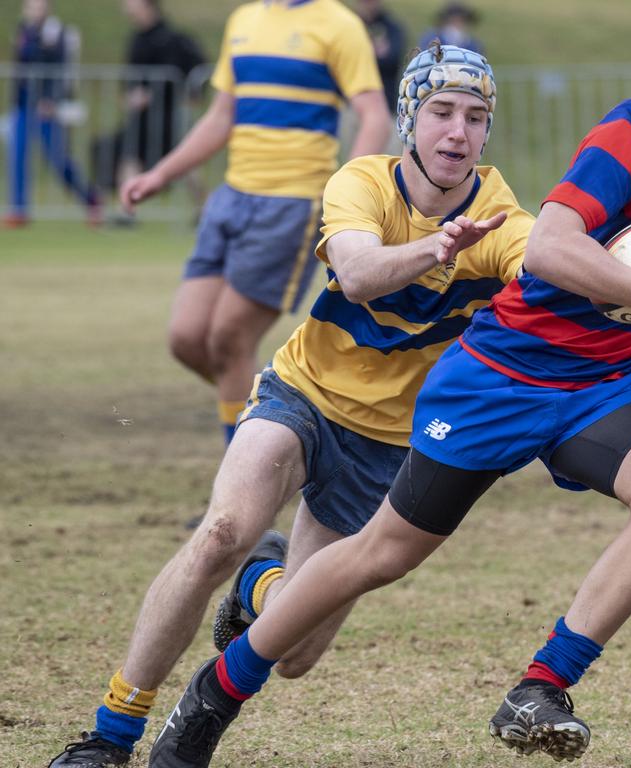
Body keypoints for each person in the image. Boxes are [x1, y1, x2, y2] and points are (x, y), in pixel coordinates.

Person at [150, 3, 631, 764]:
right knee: (381, 555)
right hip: (502, 373)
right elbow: (553, 247)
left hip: (606, 379)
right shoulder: (626, 140)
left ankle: (542, 688)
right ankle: (216, 693)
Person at [47, 43, 533, 767]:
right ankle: (109, 736)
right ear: (410, 118)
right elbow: (362, 273)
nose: (457, 133)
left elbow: (553, 269)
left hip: (391, 444)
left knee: (298, 652)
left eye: (475, 116)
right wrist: (438, 248)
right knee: (221, 532)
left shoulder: (500, 216)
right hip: (302, 393)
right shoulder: (361, 181)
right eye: (441, 113)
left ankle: (265, 580)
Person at [116, 0, 392, 450]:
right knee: (187, 338)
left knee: (228, 338)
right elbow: (221, 116)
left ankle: (241, 498)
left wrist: (348, 192)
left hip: (292, 204)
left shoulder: (339, 25)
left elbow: (374, 116)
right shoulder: (243, 20)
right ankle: (280, 415)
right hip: (231, 200)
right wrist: (160, 173)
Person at [91, 0, 207, 222]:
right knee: (129, 153)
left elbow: (190, 69)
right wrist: (129, 93)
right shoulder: (137, 39)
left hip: (167, 113)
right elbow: (131, 74)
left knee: (184, 160)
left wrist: (191, 94)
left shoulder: (171, 38)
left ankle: (206, 207)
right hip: (141, 115)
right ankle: (127, 211)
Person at [5, 0, 101, 228]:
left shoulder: (58, 33)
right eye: (30, 6)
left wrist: (52, 100)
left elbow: (63, 70)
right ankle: (18, 210)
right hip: (23, 105)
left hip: (47, 108)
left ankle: (91, 199)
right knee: (17, 156)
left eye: (39, 6)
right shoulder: (24, 32)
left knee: (58, 160)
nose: (34, 11)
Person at [355, 0, 407, 113]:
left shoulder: (392, 27)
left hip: (385, 103)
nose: (368, 5)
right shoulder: (350, 25)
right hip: (352, 103)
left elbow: (393, 60)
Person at [418, 2, 485, 54]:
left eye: (462, 21)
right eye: (454, 21)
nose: (458, 24)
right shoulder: (431, 38)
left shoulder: (472, 43)